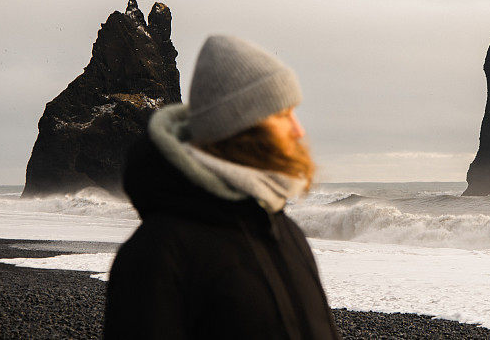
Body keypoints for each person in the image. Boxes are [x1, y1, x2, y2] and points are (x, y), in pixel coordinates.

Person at [104, 35, 340, 340]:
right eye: (283, 115)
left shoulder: (286, 232)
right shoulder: (158, 255)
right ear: (240, 127)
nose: (299, 130)